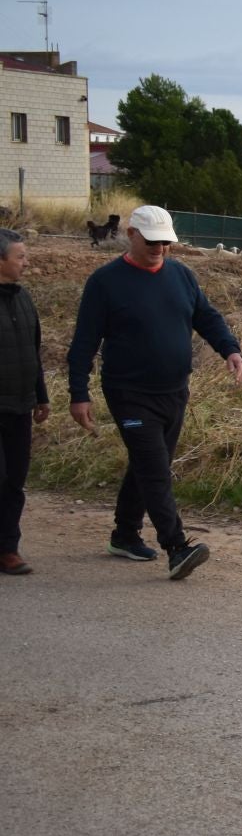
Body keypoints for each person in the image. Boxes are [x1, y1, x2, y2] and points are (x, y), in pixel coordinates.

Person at [66, 204, 242, 580]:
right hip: (128, 391)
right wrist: (78, 393)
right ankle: (177, 547)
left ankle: (124, 535)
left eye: (166, 242)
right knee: (155, 468)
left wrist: (230, 349)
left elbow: (206, 316)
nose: (160, 249)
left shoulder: (181, 275)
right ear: (131, 235)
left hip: (174, 390)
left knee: (148, 463)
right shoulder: (105, 282)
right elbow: (84, 342)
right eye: (152, 242)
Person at [0, 228, 50, 575]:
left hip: (20, 406)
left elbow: (33, 351)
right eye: (20, 256)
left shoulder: (23, 298)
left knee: (15, 480)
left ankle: (7, 548)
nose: (27, 263)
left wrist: (41, 396)